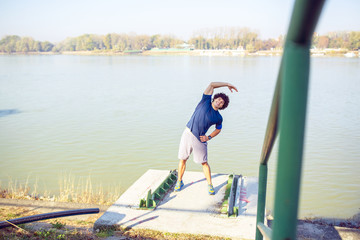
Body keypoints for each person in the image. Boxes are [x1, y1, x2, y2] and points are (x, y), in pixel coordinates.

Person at [175, 82, 238, 195]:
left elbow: (218, 129)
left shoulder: (218, 117)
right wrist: (227, 84)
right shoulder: (205, 102)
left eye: (222, 102)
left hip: (200, 138)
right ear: (214, 99)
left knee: (204, 163)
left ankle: (210, 185)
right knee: (183, 159)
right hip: (188, 133)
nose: (219, 102)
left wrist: (208, 137)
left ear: (222, 106)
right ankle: (179, 181)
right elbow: (212, 85)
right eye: (218, 99)